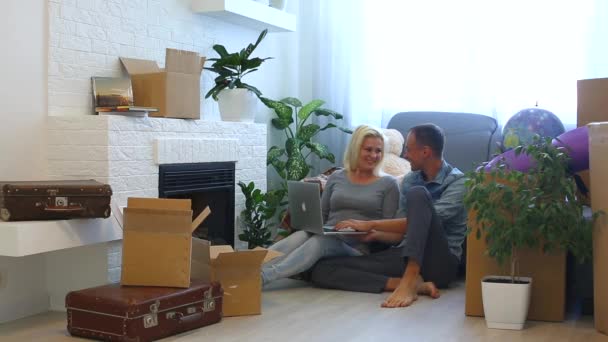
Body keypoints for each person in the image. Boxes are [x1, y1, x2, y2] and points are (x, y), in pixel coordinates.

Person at [310, 123, 467, 308]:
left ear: (425, 152)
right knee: (321, 269)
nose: (405, 155)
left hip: (439, 261)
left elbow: (426, 221)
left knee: (418, 195)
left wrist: (370, 224)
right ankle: (406, 284)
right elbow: (401, 226)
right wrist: (376, 234)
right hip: (404, 253)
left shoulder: (459, 182)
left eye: (408, 149)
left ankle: (409, 279)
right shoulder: (410, 178)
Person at [261, 125, 400, 285]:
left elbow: (394, 234)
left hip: (356, 247)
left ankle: (263, 277)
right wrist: (311, 224)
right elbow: (321, 215)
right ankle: (248, 268)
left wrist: (371, 233)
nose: (374, 155)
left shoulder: (388, 184)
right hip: (329, 233)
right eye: (368, 150)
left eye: (378, 151)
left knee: (321, 242)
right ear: (355, 149)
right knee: (301, 235)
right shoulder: (336, 177)